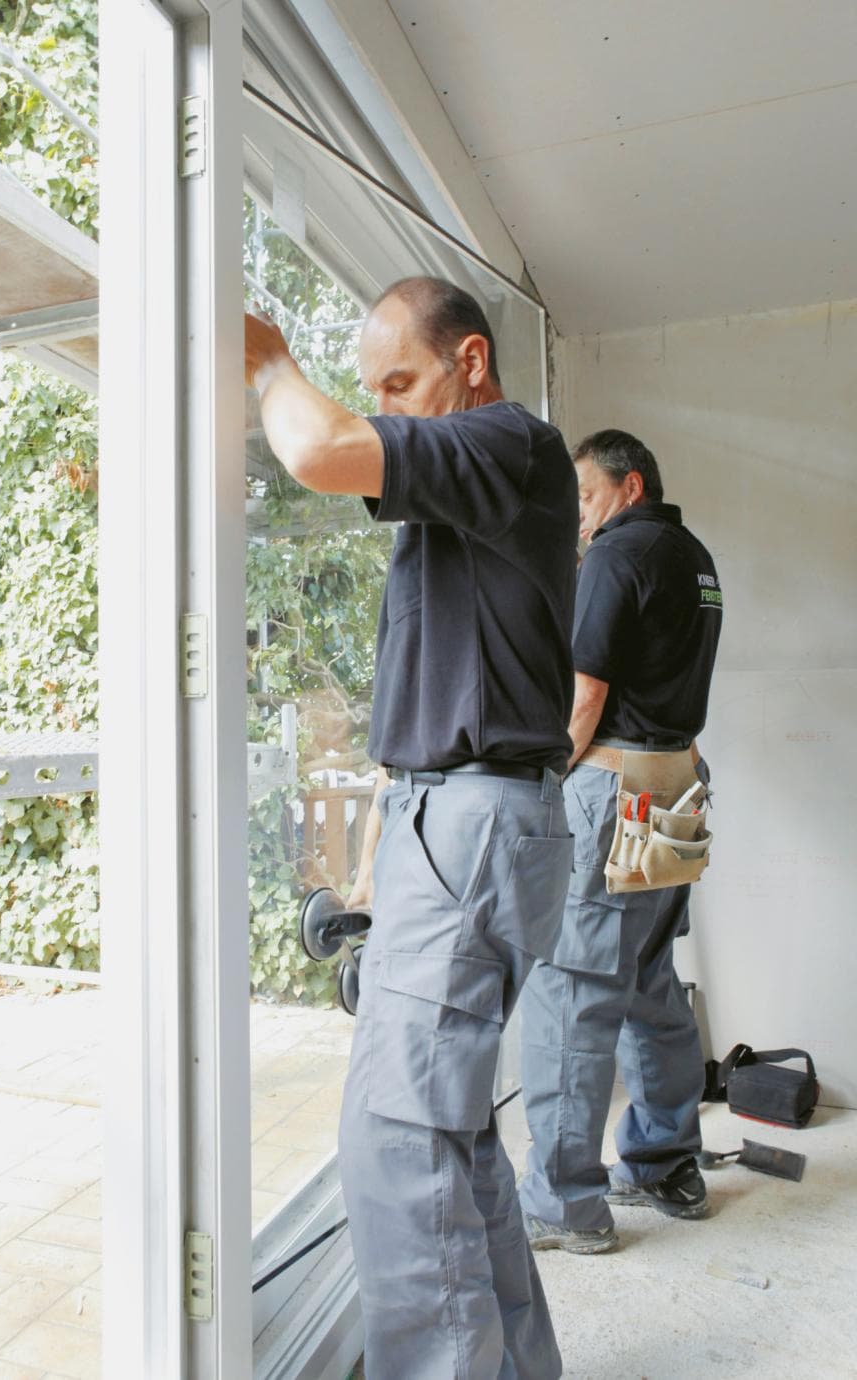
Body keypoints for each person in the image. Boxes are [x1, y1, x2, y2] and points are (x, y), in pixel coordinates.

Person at [245, 276, 578, 1379]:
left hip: (475, 817)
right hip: (461, 816)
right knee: (450, 1141)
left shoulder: (503, 442)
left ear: (470, 363)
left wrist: (261, 361)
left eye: (400, 380)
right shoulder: (470, 494)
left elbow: (320, 449)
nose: (383, 404)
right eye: (370, 387)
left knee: (394, 1145)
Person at [518, 428, 723, 1256]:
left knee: (572, 992)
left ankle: (565, 1204)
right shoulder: (697, 557)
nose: (580, 520)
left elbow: (587, 688)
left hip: (614, 785)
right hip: (678, 781)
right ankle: (666, 1162)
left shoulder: (614, 553)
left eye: (589, 500)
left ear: (629, 486)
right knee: (648, 980)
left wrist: (547, 779)